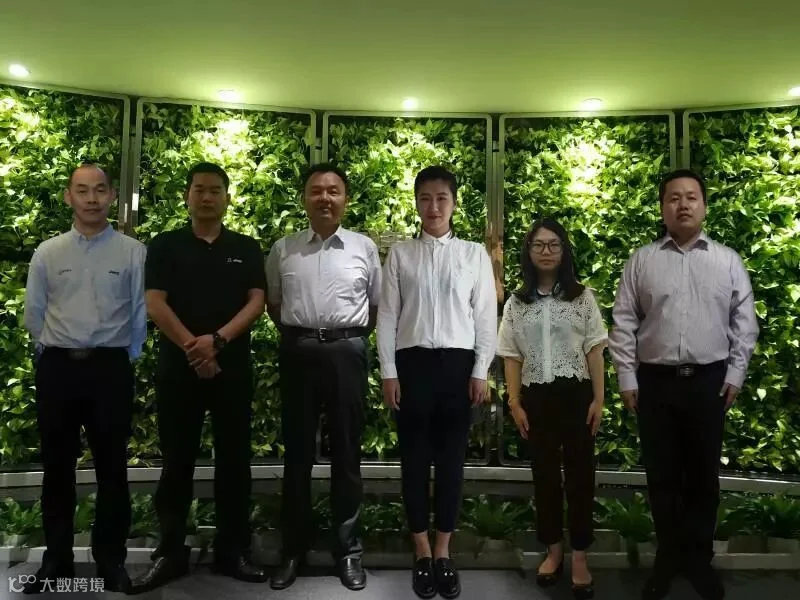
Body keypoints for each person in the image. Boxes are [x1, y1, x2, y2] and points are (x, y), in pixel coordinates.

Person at [608, 169, 759, 600]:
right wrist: (626, 376)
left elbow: (744, 324)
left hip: (709, 384)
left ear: (704, 205)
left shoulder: (727, 261)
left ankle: (698, 560)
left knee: (703, 478)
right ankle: (668, 558)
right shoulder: (642, 261)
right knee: (662, 477)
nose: (683, 204)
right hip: (655, 384)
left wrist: (734, 374)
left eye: (691, 197)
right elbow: (623, 321)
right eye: (674, 198)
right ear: (663, 208)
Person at [133, 162, 268, 592]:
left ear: (228, 198)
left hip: (232, 368)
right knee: (177, 462)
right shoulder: (165, 245)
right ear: (187, 196)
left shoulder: (246, 247)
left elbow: (257, 302)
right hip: (178, 371)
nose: (207, 197)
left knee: (235, 463)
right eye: (199, 189)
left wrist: (218, 341)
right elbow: (155, 303)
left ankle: (233, 551)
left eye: (215, 190)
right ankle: (171, 552)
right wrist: (195, 348)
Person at [22, 162, 146, 594]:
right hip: (58, 368)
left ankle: (111, 561)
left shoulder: (132, 252)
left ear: (112, 196)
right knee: (57, 469)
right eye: (82, 190)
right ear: (68, 196)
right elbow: (34, 312)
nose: (92, 198)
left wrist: (126, 356)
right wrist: (52, 352)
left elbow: (139, 312)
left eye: (99, 190)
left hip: (109, 369)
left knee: (113, 469)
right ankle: (57, 560)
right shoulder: (48, 252)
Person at [376, 166, 497, 599]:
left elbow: (485, 316)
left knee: (450, 463)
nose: (433, 206)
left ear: (454, 203)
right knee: (413, 461)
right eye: (425, 198)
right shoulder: (401, 255)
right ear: (416, 203)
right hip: (411, 366)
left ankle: (444, 552)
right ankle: (421, 552)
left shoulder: (473, 254)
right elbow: (387, 316)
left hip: (458, 368)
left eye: (442, 198)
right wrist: (388, 371)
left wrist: (480, 369)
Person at [265, 162, 381, 591]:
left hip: (347, 351)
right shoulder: (283, 249)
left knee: (347, 455)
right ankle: (293, 550)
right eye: (316, 191)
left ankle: (348, 552)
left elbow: (375, 305)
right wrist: (305, 336)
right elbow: (274, 304)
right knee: (296, 456)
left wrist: (342, 338)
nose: (325, 198)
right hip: (298, 352)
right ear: (304, 199)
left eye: (333, 191)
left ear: (345, 199)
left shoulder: (363, 248)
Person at [497, 217, 606, 600]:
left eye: (553, 244)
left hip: (576, 396)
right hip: (536, 399)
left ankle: (580, 557)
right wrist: (514, 402)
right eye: (539, 244)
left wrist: (599, 399)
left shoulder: (582, 297)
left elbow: (595, 349)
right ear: (528, 251)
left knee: (580, 478)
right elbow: (511, 355)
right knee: (544, 477)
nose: (546, 251)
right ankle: (553, 551)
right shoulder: (517, 303)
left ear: (564, 251)